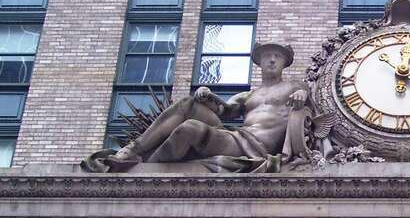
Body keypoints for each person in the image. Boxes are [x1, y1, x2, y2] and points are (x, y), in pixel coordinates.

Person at [103, 43, 308, 171]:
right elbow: (223, 111)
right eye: (267, 56)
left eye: (277, 56)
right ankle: (133, 150)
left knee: (189, 128)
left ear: (285, 62)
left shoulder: (294, 87)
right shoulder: (249, 95)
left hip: (255, 148)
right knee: (188, 104)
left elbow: (313, 109)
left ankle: (146, 168)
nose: (272, 60)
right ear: (259, 62)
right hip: (235, 136)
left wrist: (303, 96)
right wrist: (207, 96)